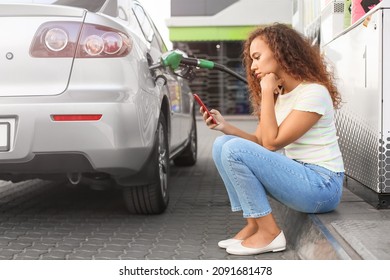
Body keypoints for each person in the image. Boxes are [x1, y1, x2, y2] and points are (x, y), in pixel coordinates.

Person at [200, 23, 344, 256]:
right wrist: (225, 127)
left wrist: (267, 92)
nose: (253, 66)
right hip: (300, 176)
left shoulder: (313, 93)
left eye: (257, 57)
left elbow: (271, 144)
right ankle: (254, 224)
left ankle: (270, 234)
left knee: (235, 149)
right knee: (222, 144)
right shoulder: (281, 95)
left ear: (280, 52)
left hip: (322, 186)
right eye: (252, 60)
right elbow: (259, 141)